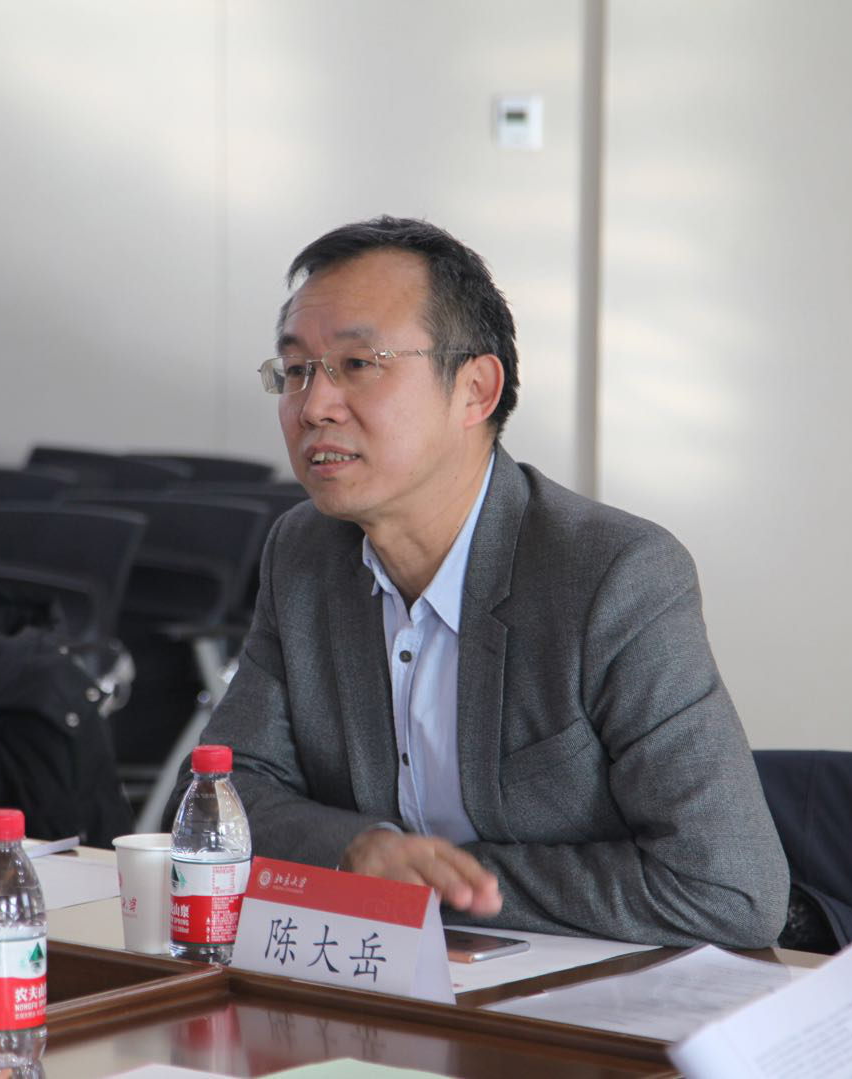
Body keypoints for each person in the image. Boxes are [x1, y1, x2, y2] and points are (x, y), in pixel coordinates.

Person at [173, 216, 788, 947]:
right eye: (296, 370)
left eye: (357, 363)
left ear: (475, 389)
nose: (313, 406)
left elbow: (729, 887)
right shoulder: (305, 552)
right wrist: (357, 850)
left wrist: (435, 884)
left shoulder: (612, 575)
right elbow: (219, 796)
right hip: (392, 979)